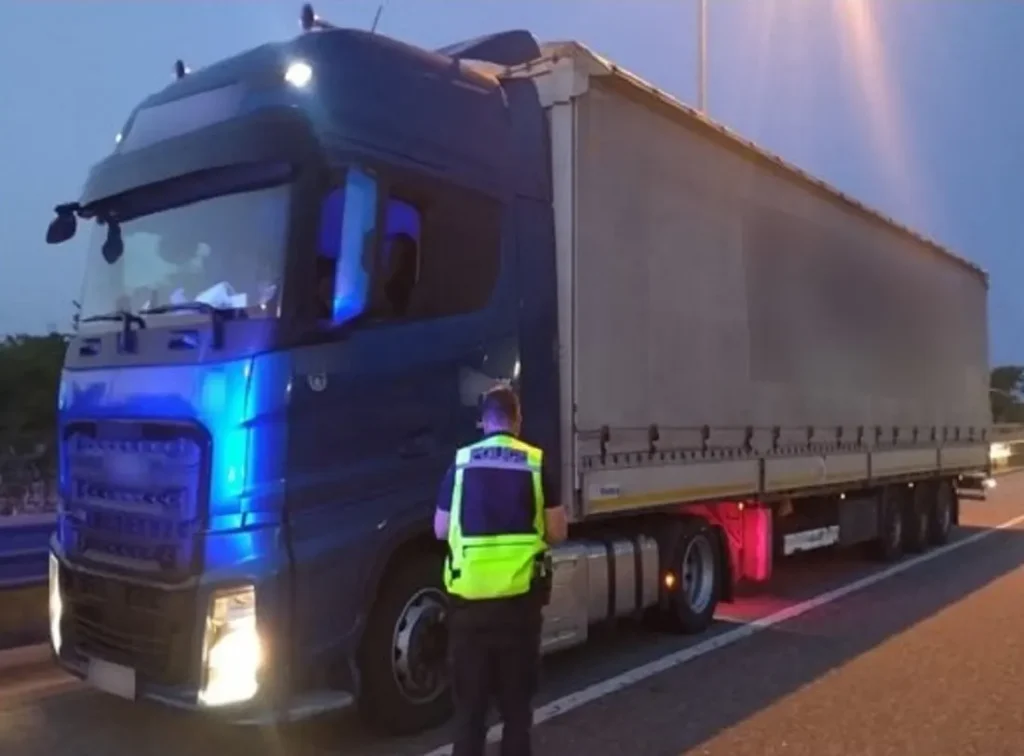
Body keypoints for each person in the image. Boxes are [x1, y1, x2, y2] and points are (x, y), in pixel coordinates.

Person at [434, 384, 568, 756]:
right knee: (516, 715)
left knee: (469, 717)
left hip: (468, 610)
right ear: (517, 420)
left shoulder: (461, 464)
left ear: (484, 422)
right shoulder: (535, 463)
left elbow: (441, 529)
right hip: (518, 611)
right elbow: (557, 531)